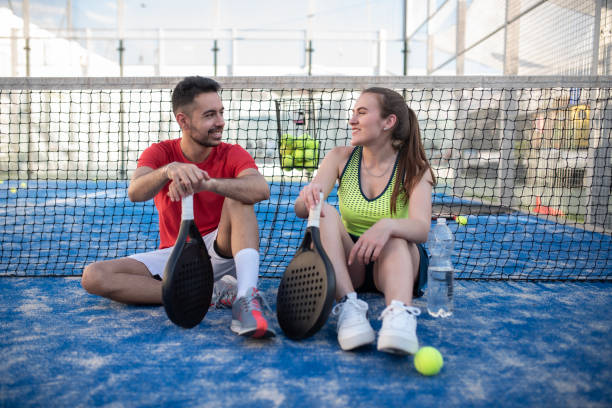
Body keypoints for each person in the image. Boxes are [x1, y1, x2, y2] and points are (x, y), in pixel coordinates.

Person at [81, 76, 275, 338]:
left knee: (239, 198)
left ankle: (245, 298)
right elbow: (135, 192)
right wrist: (168, 171)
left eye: (220, 113)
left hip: (222, 249)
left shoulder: (232, 152)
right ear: (183, 121)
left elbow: (260, 189)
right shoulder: (160, 152)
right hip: (177, 254)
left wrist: (206, 183)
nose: (220, 122)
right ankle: (212, 293)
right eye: (209, 115)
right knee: (94, 276)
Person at [295, 87, 434, 354]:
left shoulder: (415, 168)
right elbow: (303, 210)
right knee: (323, 213)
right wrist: (309, 197)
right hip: (351, 261)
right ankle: (349, 309)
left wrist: (387, 225)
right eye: (353, 113)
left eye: (362, 112)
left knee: (396, 238)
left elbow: (421, 229)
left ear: (388, 122)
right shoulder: (339, 157)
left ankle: (400, 318)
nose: (352, 120)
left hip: (398, 260)